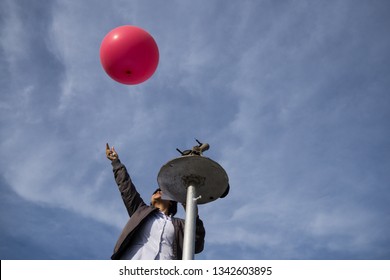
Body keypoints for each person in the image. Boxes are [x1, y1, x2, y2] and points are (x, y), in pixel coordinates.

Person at [106, 143, 206, 260]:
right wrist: (116, 163)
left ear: (171, 201)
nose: (158, 191)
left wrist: (192, 211)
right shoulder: (141, 211)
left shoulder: (180, 225)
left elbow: (197, 244)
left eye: (161, 191)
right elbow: (126, 187)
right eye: (156, 190)